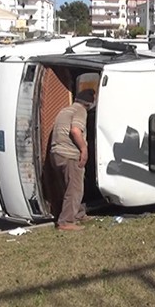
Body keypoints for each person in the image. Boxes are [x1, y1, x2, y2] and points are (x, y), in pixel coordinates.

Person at [50, 89, 96, 231]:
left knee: (69, 186)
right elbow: (75, 131)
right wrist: (84, 149)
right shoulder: (80, 111)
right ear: (89, 103)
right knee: (75, 188)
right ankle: (66, 221)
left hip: (56, 153)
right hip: (69, 154)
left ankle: (79, 214)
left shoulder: (66, 110)